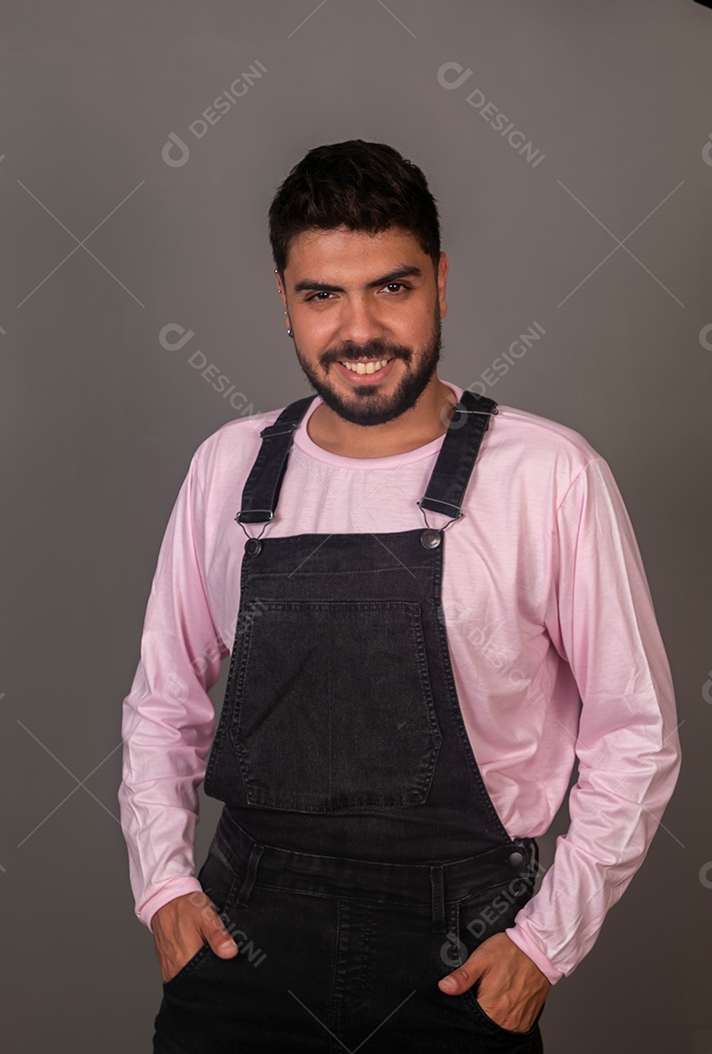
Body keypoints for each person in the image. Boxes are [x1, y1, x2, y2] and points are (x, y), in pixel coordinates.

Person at [118, 139, 681, 1054]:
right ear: (284, 300)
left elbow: (637, 733)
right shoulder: (228, 468)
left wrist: (546, 944)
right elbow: (163, 702)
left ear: (441, 282)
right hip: (242, 950)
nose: (361, 331)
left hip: (460, 957)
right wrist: (163, 885)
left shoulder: (550, 475)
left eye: (392, 286)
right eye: (322, 295)